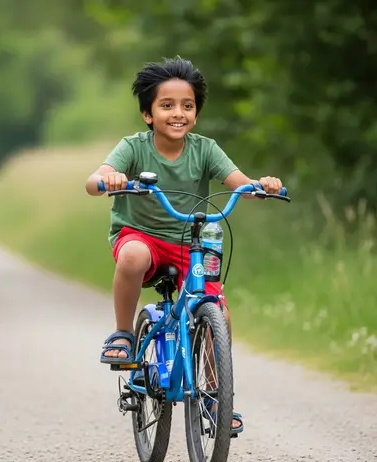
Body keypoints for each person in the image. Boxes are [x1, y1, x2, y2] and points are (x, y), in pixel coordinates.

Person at [85, 56, 283, 435]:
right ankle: (124, 333)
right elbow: (97, 177)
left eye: (187, 106)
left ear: (196, 113)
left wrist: (263, 186)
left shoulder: (205, 149)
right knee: (132, 255)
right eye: (167, 105)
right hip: (141, 236)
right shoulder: (133, 147)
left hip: (188, 242)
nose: (178, 113)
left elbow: (239, 181)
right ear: (148, 113)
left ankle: (212, 395)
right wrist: (107, 180)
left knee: (217, 312)